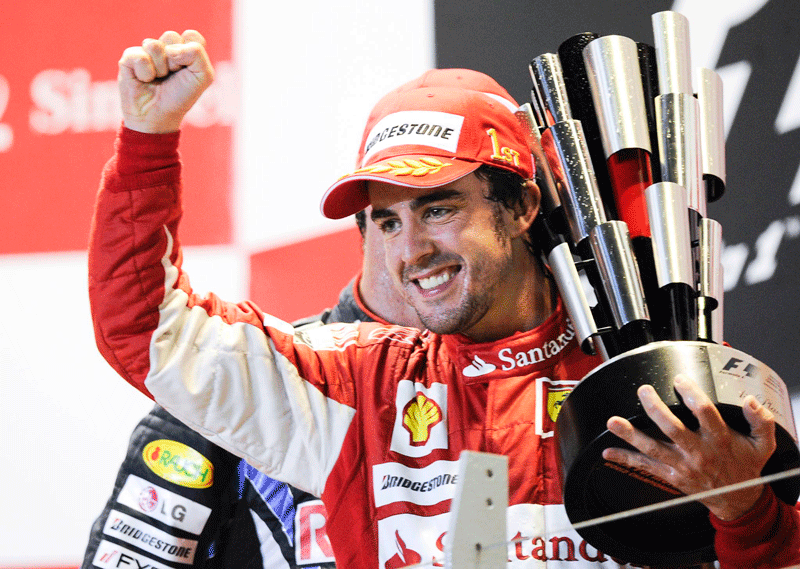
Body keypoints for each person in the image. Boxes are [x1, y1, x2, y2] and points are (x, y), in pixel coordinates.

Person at [87, 30, 800, 568]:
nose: (410, 252)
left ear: (520, 205)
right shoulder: (351, 383)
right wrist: (148, 141)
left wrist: (744, 508)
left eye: (437, 209)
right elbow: (145, 330)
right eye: (387, 220)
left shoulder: (650, 376)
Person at [81, 209, 422, 569]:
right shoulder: (242, 374)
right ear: (364, 219)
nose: (418, 246)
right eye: (393, 221)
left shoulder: (485, 391)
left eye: (442, 210)